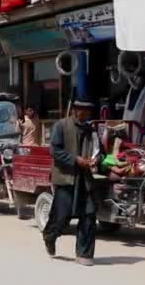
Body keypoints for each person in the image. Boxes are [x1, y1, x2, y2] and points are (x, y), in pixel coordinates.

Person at [42, 97, 102, 267]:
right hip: (66, 179)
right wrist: (75, 159)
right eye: (81, 109)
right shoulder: (61, 126)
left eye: (87, 110)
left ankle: (84, 254)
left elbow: (100, 152)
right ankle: (50, 236)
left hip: (85, 180)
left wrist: (97, 160)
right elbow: (55, 150)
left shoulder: (92, 131)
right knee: (61, 217)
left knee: (89, 216)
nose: (84, 113)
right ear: (75, 109)